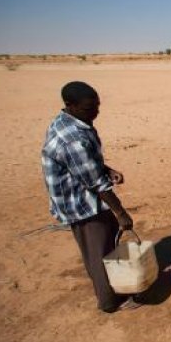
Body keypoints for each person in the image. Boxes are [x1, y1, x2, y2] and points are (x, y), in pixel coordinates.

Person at [41, 81, 140, 313]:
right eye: (89, 108)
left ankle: (113, 289)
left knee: (105, 244)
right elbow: (95, 182)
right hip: (81, 204)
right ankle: (110, 301)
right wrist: (121, 213)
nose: (95, 112)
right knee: (99, 253)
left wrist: (106, 168)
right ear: (70, 105)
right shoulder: (71, 137)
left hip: (86, 196)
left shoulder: (74, 121)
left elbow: (86, 163)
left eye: (97, 106)